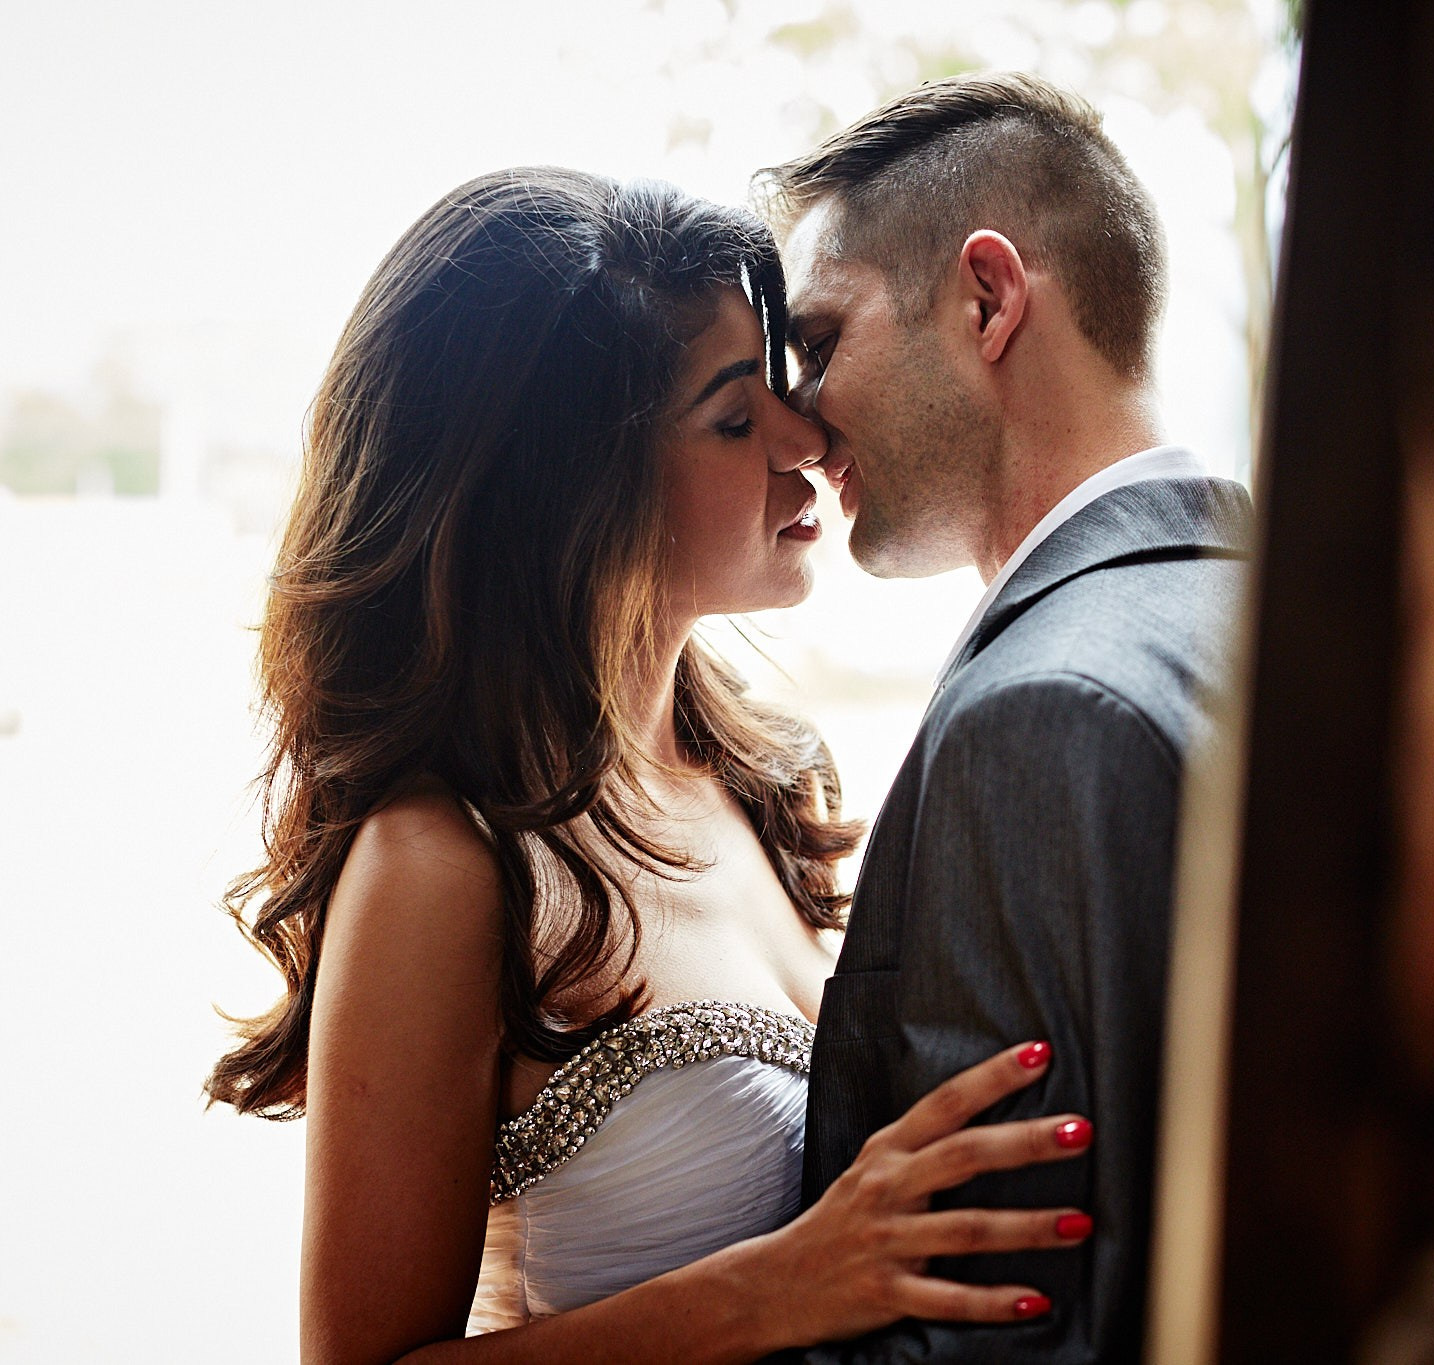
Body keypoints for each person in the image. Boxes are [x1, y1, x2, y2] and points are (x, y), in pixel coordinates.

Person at [205, 166, 1098, 1363]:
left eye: (778, 388)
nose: (804, 439)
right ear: (563, 492)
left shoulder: (759, 778)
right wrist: (778, 1289)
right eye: (735, 419)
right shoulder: (444, 865)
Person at [755, 72, 1254, 1361]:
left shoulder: (1044, 711)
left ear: (986, 298)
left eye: (818, 341)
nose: (799, 424)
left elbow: (1011, 1329)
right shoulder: (1263, 614)